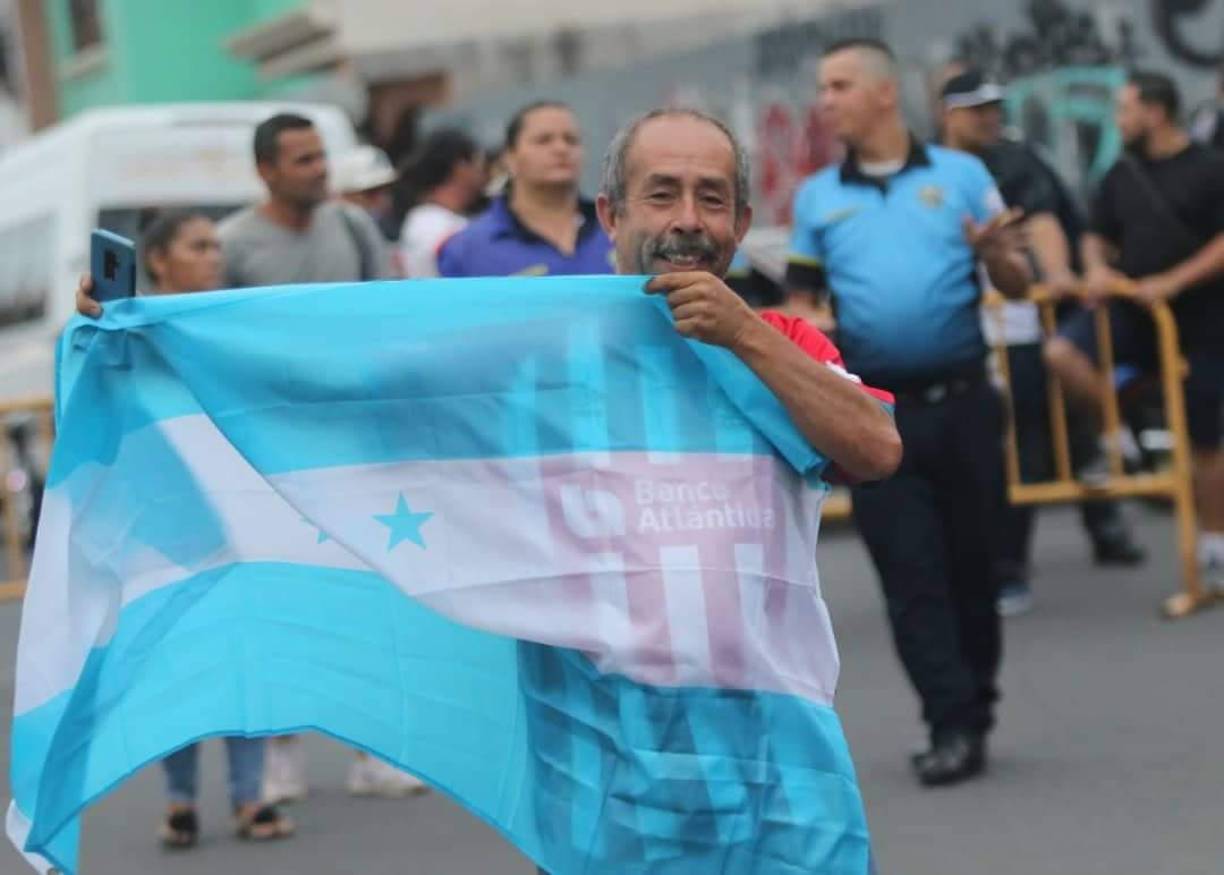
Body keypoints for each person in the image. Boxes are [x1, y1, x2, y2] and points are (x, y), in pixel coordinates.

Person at [523, 104, 902, 875]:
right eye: (662, 195)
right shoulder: (537, 358)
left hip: (775, 768)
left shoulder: (782, 345)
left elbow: (875, 447)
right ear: (610, 213)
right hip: (605, 773)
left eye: (712, 198)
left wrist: (744, 333)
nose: (688, 220)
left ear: (743, 221)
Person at [787, 38, 1033, 787]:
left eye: (838, 85)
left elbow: (1018, 283)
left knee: (972, 568)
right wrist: (803, 331)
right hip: (875, 416)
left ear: (883, 92)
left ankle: (975, 703)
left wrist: (995, 255)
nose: (824, 100)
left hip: (962, 404)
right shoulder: (818, 197)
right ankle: (948, 720)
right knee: (909, 576)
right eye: (821, 86)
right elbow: (803, 299)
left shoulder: (963, 177)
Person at [216, 113, 422, 803]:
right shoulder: (233, 245)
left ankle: (373, 749)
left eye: (320, 156)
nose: (318, 170)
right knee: (283, 595)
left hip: (352, 445)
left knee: (366, 592)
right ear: (266, 170)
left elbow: (384, 319)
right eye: (301, 160)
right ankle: (282, 753)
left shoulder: (354, 227)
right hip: (269, 453)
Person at [77, 210, 295, 848]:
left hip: (243, 513)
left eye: (216, 247)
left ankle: (250, 797)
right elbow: (91, 364)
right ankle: (179, 800)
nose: (214, 258)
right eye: (198, 247)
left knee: (243, 654)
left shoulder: (232, 322)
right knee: (178, 659)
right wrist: (95, 313)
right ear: (160, 260)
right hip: (166, 519)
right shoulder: (129, 328)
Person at [939, 69, 1145, 616]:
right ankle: (1007, 563)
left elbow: (1047, 221)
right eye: (976, 108)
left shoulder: (1014, 160)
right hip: (966, 329)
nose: (989, 117)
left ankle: (1074, 541)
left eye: (994, 107)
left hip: (1024, 322)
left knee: (1045, 434)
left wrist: (1051, 281)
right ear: (949, 114)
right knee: (1014, 445)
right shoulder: (934, 169)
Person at [1044, 71, 1224, 591]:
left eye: (1124, 110)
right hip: (1133, 313)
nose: (1117, 121)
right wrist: (1097, 268)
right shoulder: (1120, 175)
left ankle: (1212, 545)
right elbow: (1095, 236)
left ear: (1155, 111)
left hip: (1202, 318)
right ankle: (1118, 434)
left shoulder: (1210, 169)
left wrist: (1173, 282)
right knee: (1062, 354)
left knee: (1205, 438)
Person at [437, 101, 613, 277]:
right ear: (509, 157)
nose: (561, 149)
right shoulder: (467, 250)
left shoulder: (615, 229)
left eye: (571, 140)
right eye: (543, 140)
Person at [396, 128, 486, 277]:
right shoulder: (430, 222)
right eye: (479, 163)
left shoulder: (432, 218)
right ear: (461, 167)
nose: (483, 172)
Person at [332, 144, 399, 243]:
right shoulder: (339, 240)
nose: (382, 199)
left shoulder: (390, 227)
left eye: (385, 190)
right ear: (344, 196)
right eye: (371, 193)